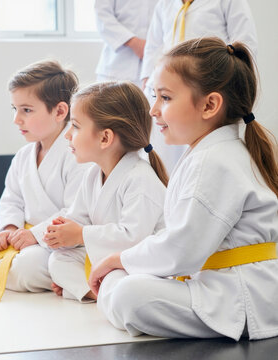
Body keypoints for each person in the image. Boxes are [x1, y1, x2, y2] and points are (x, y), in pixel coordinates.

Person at [90, 37, 278, 340]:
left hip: (240, 299)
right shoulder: (213, 152)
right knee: (126, 280)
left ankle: (114, 287)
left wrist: (117, 260)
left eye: (165, 98)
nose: (153, 110)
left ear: (209, 105)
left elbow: (182, 249)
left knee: (130, 295)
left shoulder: (214, 160)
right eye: (154, 96)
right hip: (233, 288)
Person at [0, 60, 88, 300]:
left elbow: (75, 211)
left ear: (60, 112)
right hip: (22, 237)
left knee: (29, 266)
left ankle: (23, 275)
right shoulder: (23, 156)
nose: (17, 119)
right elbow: (12, 200)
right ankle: (18, 275)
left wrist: (36, 235)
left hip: (57, 243)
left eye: (26, 110)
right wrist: (9, 229)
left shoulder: (77, 155)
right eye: (14, 109)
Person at [45, 82, 167, 302]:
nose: (67, 135)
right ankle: (94, 290)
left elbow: (134, 238)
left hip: (142, 264)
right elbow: (77, 218)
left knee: (121, 280)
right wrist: (60, 233)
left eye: (75, 126)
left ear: (105, 138)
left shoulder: (140, 178)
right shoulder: (92, 175)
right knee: (58, 260)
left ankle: (92, 290)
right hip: (108, 258)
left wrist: (81, 234)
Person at [141, 0, 258, 173]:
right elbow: (153, 46)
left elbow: (245, 44)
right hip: (170, 87)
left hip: (203, 86)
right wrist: (150, 82)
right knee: (169, 156)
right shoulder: (164, 4)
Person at [94, 0, 158, 86]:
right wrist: (132, 42)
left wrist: (151, 47)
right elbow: (102, 14)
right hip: (116, 65)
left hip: (156, 63)